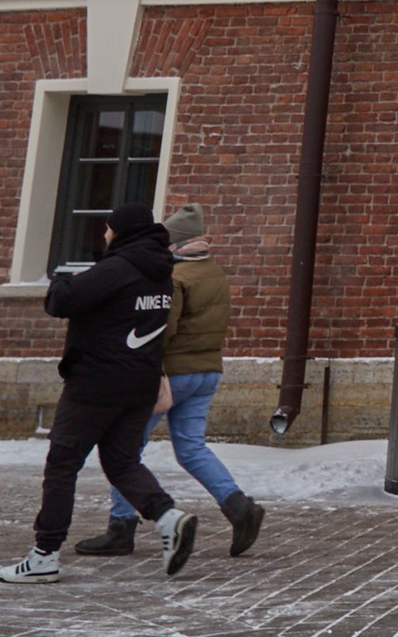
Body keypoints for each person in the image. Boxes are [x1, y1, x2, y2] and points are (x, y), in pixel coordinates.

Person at [0, 204, 200, 585]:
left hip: (96, 384)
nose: (104, 235)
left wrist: (61, 280)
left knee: (62, 464)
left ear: (120, 232)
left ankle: (44, 555)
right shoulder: (160, 273)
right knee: (122, 462)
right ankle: (169, 518)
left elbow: (60, 302)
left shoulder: (117, 269)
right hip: (139, 384)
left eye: (108, 230)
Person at [75, 204, 265, 561]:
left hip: (170, 376)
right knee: (192, 447)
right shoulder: (215, 273)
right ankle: (239, 507)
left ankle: (121, 527)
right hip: (207, 371)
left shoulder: (175, 279)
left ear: (175, 244)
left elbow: (162, 331)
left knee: (125, 450)